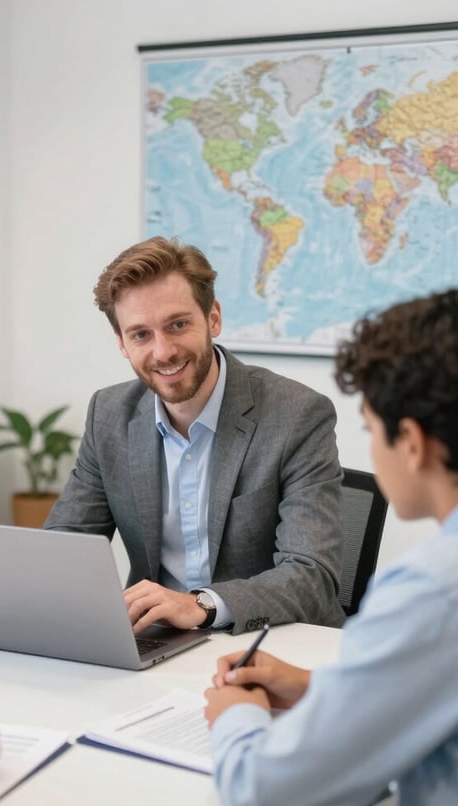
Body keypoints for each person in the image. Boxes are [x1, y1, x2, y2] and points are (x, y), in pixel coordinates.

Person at [204, 290, 458, 806]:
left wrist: (234, 713)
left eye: (369, 430)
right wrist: (321, 688)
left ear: (411, 443)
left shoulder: (432, 589)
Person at [45, 236, 345, 634]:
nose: (163, 351)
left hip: (267, 642)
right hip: (156, 643)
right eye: (140, 335)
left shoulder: (297, 415)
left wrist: (201, 604)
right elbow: (63, 551)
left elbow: (312, 575)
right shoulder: (109, 416)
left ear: (213, 318)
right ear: (121, 343)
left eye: (178, 325)